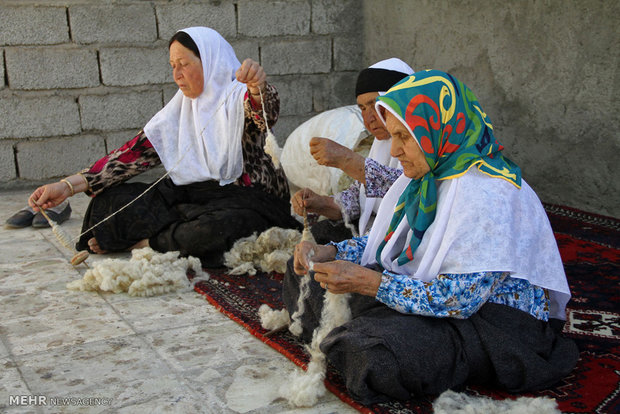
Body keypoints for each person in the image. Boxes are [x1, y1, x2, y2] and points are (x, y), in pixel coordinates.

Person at [283, 70, 578, 404]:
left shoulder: (491, 193)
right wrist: (329, 251)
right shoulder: (425, 177)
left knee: (374, 356)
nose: (394, 151)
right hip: (435, 295)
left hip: (492, 323)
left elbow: (461, 299)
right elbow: (389, 245)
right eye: (392, 137)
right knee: (304, 279)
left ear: (437, 130)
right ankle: (350, 336)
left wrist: (369, 284)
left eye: (404, 137)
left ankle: (356, 340)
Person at [28, 27, 299, 266]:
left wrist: (258, 86)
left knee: (224, 227)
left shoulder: (238, 97)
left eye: (184, 64)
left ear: (210, 62)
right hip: (192, 196)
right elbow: (130, 156)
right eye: (172, 65)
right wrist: (66, 187)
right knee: (111, 201)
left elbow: (264, 112)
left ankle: (147, 242)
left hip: (248, 201)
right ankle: (171, 233)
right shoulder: (179, 111)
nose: (177, 75)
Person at [290, 59, 413, 244]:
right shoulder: (380, 146)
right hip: (374, 234)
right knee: (316, 239)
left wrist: (346, 160)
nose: (369, 117)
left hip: (406, 240)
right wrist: (320, 203)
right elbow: (359, 198)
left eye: (374, 104)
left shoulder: (421, 142)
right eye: (362, 108)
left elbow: (411, 191)